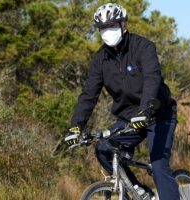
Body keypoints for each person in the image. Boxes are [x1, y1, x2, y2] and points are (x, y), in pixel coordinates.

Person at [65, 3, 179, 200]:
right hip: (128, 118)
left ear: (124, 26)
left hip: (159, 114)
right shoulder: (100, 59)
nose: (107, 31)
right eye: (102, 28)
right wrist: (76, 126)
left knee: (159, 165)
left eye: (111, 26)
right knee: (103, 149)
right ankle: (138, 191)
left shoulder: (143, 47)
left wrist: (145, 111)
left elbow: (152, 79)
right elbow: (88, 94)